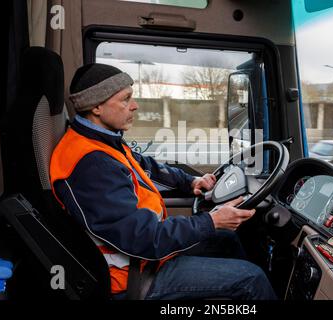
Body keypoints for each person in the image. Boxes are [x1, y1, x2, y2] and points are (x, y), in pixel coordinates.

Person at [50, 63, 277, 300]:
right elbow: (142, 238)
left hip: (145, 257)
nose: (135, 105)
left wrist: (190, 182)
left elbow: (146, 166)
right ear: (96, 106)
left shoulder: (102, 142)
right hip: (134, 276)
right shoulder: (91, 164)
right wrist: (211, 221)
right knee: (252, 278)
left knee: (227, 240)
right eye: (126, 99)